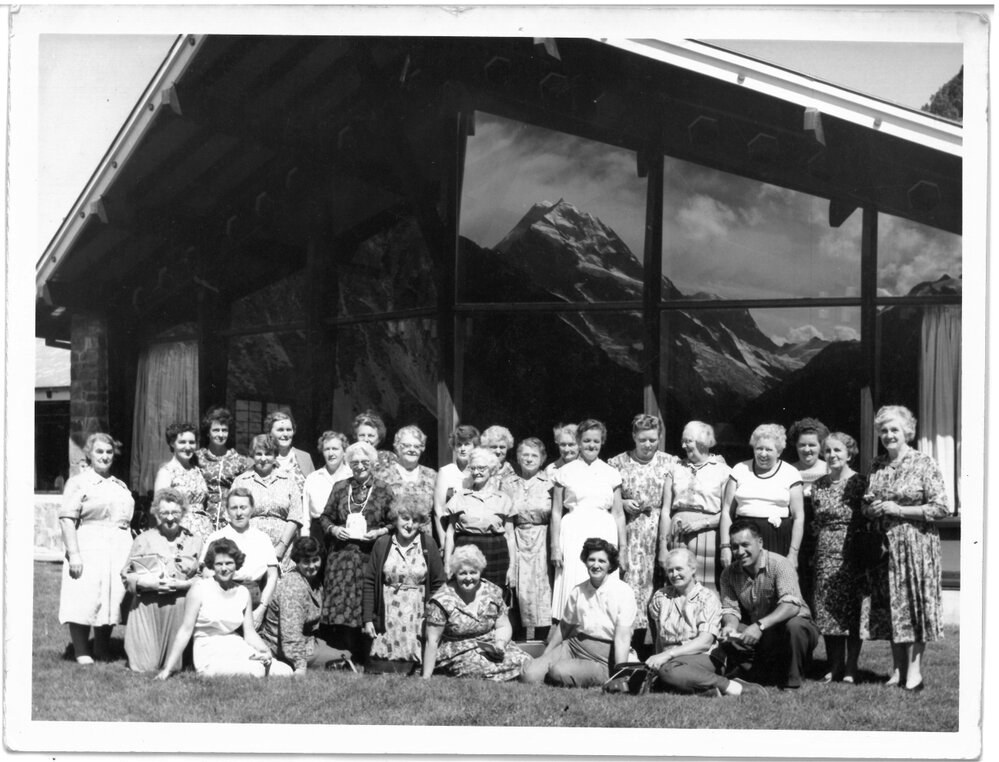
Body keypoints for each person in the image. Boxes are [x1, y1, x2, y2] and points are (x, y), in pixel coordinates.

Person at [863, 405, 949, 692]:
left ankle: (915, 672)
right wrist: (872, 510)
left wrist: (899, 509)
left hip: (916, 547)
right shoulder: (877, 465)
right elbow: (868, 501)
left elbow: (941, 508)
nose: (889, 435)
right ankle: (897, 670)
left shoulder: (924, 463)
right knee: (891, 609)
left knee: (913, 607)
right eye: (884, 431)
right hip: (885, 548)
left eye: (894, 430)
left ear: (907, 432)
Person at [156, 538, 293, 679]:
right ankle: (222, 670)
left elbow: (250, 633)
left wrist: (265, 651)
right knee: (256, 669)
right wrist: (168, 669)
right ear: (212, 566)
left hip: (235, 645)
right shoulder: (199, 589)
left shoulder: (243, 592)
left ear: (237, 564)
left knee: (285, 671)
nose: (224, 568)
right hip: (209, 648)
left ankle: (253, 664)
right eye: (219, 564)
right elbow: (185, 630)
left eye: (229, 563)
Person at [58, 433, 135, 664]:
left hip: (119, 545)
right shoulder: (79, 482)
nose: (104, 456)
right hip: (89, 543)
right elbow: (67, 519)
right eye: (99, 451)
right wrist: (74, 554)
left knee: (112, 595)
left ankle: (102, 648)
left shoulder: (119, 484)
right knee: (85, 594)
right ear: (89, 454)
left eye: (109, 452)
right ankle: (82, 650)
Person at [646, 547, 763, 696]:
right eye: (670, 570)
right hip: (670, 659)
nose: (674, 574)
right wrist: (658, 657)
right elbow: (658, 636)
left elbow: (705, 642)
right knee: (658, 676)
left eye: (679, 569)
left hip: (704, 656)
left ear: (692, 568)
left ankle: (735, 687)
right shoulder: (661, 597)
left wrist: (667, 655)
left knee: (668, 671)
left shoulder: (707, 598)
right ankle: (706, 691)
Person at [718, 519, 820, 690]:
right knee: (728, 635)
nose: (739, 551)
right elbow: (730, 609)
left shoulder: (780, 564)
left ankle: (792, 682)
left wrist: (760, 626)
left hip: (794, 627)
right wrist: (729, 626)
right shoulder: (728, 574)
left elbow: (792, 605)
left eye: (745, 545)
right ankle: (762, 673)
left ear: (760, 542)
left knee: (795, 626)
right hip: (764, 633)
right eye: (734, 547)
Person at [521, 538, 636, 688]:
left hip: (605, 656)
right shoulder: (578, 590)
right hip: (574, 646)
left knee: (558, 671)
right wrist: (546, 654)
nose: (596, 565)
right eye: (591, 560)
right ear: (585, 562)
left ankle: (604, 674)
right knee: (529, 674)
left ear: (610, 565)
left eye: (602, 561)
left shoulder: (623, 591)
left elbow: (622, 637)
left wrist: (620, 674)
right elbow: (564, 627)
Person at [320, 441, 394, 663]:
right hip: (341, 558)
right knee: (342, 604)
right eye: (355, 462)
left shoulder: (383, 489)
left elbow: (394, 522)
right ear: (349, 464)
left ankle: (366, 655)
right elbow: (324, 517)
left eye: (364, 462)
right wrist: (334, 529)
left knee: (365, 602)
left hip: (369, 556)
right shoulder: (340, 487)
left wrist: (379, 532)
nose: (360, 466)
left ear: (372, 463)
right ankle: (342, 654)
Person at [608, 414, 675, 651]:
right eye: (643, 440)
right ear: (634, 437)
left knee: (662, 586)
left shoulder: (670, 462)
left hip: (660, 528)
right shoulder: (618, 462)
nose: (648, 445)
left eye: (653, 440)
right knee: (634, 587)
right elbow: (608, 497)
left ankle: (660, 647)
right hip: (632, 531)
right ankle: (632, 648)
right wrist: (623, 502)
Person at [550, 419, 626, 620]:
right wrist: (555, 546)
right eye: (586, 441)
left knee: (602, 580)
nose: (591, 445)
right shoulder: (564, 472)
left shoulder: (611, 473)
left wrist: (623, 549)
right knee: (575, 579)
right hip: (574, 531)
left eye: (596, 441)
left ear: (602, 442)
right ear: (578, 441)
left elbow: (618, 513)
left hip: (604, 530)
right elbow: (556, 512)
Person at [121, 488, 203, 672]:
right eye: (165, 513)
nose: (170, 518)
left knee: (175, 666)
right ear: (157, 513)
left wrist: (184, 584)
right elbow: (126, 575)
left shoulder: (195, 541)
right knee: (145, 667)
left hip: (181, 609)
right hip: (148, 606)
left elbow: (202, 576)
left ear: (183, 512)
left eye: (175, 512)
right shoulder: (144, 539)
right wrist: (150, 584)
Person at [422, 545, 531, 681]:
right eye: (463, 573)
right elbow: (432, 640)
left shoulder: (493, 592)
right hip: (458, 652)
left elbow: (503, 625)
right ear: (455, 573)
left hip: (490, 646)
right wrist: (426, 676)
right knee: (481, 666)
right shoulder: (441, 600)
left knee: (526, 660)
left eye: (473, 572)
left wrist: (500, 643)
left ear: (480, 571)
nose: (468, 578)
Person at [362, 502, 446, 674]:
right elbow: (370, 582)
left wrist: (431, 614)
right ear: (395, 519)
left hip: (417, 611)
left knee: (412, 663)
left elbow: (439, 582)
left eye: (415, 520)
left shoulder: (428, 544)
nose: (409, 524)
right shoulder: (382, 543)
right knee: (380, 664)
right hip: (388, 610)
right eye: (405, 519)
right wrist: (368, 618)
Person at [811, 432, 868, 683]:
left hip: (852, 550)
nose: (832, 455)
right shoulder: (819, 484)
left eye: (838, 451)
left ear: (849, 453)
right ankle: (834, 665)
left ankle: (851, 667)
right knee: (827, 609)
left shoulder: (860, 482)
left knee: (852, 610)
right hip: (824, 551)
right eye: (828, 451)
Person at [258, 537, 350, 674]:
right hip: (281, 647)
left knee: (345, 650)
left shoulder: (314, 580)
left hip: (307, 640)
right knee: (347, 656)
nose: (312, 566)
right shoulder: (293, 587)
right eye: (306, 562)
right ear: (297, 562)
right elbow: (290, 633)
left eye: (315, 560)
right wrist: (300, 665)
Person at [719, 424, 804, 569]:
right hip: (742, 539)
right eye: (759, 448)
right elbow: (727, 512)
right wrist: (725, 546)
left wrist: (793, 553)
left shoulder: (791, 473)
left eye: (769, 449)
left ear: (779, 452)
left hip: (776, 539)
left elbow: (798, 517)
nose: (763, 454)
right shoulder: (740, 469)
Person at [662, 421, 731, 591]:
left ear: (702, 442)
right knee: (677, 583)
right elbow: (665, 510)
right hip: (677, 535)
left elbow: (727, 512)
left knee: (704, 586)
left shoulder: (723, 471)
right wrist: (663, 546)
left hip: (706, 536)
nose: (683, 445)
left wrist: (700, 524)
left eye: (688, 441)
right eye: (683, 441)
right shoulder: (675, 468)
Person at [201, 487, 280, 630]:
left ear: (252, 509)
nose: (238, 513)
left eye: (243, 507)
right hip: (223, 596)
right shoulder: (216, 537)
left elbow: (272, 576)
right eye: (234, 508)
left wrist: (261, 609)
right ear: (227, 511)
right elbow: (206, 573)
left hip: (255, 598)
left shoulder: (262, 538)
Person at [503, 437, 553, 640]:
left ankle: (542, 645)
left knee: (542, 592)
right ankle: (519, 644)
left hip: (543, 540)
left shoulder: (550, 483)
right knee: (518, 592)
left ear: (542, 459)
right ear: (518, 457)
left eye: (534, 455)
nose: (529, 459)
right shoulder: (508, 483)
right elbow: (506, 518)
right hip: (516, 538)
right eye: (525, 455)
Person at [444, 447, 516, 589]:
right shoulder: (460, 497)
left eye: (482, 468)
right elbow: (450, 533)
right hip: (464, 554)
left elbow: (510, 536)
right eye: (473, 468)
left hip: (495, 554)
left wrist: (512, 567)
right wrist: (447, 563)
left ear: (492, 469)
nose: (477, 472)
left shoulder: (503, 499)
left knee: (493, 601)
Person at [229, 433, 304, 565]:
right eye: (259, 454)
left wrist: (281, 546)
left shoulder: (288, 481)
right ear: (252, 455)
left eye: (268, 454)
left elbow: (295, 516)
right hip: (248, 547)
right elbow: (233, 515)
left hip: (283, 550)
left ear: (275, 455)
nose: (263, 459)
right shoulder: (241, 481)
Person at [788, 417, 830, 608]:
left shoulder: (830, 469)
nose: (807, 450)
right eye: (802, 445)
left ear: (820, 446)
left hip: (822, 533)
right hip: (795, 533)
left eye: (812, 445)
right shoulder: (788, 470)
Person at [195, 406, 251, 531]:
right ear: (208, 432)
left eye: (224, 430)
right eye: (216, 430)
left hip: (230, 521)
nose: (220, 434)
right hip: (203, 520)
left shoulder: (239, 461)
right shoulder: (197, 458)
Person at [154, 422, 210, 541]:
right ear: (172, 443)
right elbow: (159, 510)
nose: (188, 447)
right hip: (180, 532)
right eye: (182, 442)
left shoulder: (197, 470)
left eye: (191, 442)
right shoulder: (167, 472)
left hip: (204, 531)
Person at [379, 425, 437, 535]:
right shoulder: (383, 475)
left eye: (416, 446)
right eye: (406, 446)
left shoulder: (432, 475)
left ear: (422, 448)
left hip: (424, 541)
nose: (412, 450)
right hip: (392, 538)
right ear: (397, 446)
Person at [432, 425, 479, 544]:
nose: (463, 449)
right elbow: (438, 510)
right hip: (452, 536)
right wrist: (443, 542)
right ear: (454, 447)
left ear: (475, 447)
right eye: (459, 444)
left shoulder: (480, 472)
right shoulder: (446, 472)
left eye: (467, 444)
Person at [302, 430, 352, 541]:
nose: (331, 453)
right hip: (318, 534)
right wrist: (305, 539)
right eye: (327, 449)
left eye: (335, 449)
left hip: (345, 533)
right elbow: (305, 515)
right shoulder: (313, 478)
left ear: (344, 452)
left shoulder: (352, 476)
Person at [264, 410, 315, 494]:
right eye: (280, 430)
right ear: (269, 432)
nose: (285, 434)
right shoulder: (262, 458)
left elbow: (314, 491)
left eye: (289, 430)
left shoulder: (305, 457)